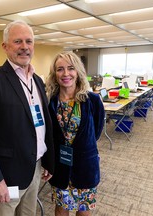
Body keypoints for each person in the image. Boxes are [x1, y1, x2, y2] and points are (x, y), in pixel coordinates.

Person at [0, 20, 55, 216]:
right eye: (18, 41)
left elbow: (42, 125)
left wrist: (48, 161)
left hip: (36, 166)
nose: (24, 47)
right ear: (5, 46)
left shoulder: (37, 80)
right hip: (6, 175)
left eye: (29, 41)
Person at [45, 51, 105, 216]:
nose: (66, 74)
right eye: (60, 69)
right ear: (54, 74)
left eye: (70, 68)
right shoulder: (50, 102)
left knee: (84, 211)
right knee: (61, 209)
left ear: (78, 71)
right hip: (60, 166)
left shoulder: (92, 100)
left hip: (86, 166)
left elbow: (96, 132)